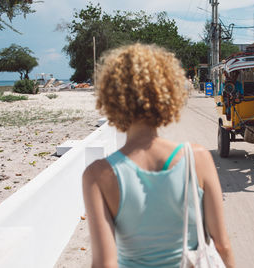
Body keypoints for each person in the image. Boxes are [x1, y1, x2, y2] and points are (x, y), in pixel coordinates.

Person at [82, 43, 235, 268]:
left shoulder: (98, 175)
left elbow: (105, 263)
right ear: (168, 94)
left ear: (112, 97)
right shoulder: (197, 158)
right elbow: (222, 245)